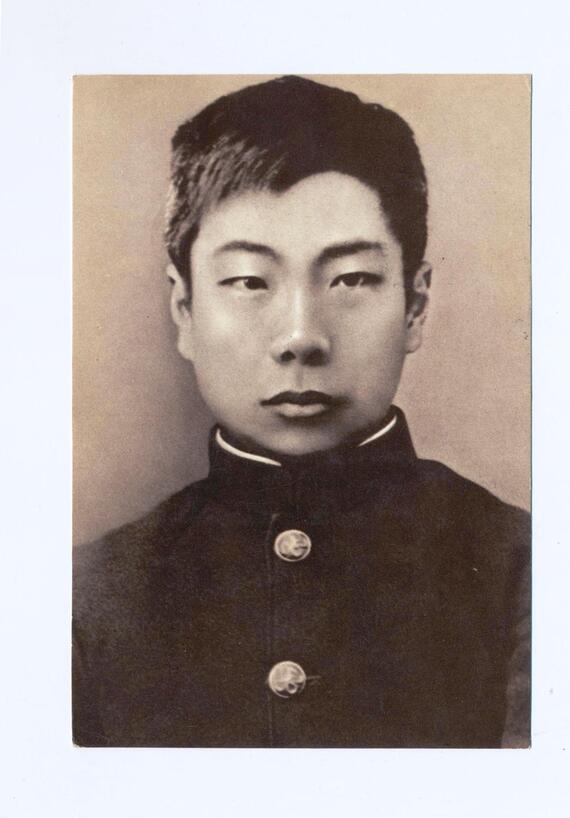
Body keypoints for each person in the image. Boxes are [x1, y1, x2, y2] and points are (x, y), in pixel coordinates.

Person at [73, 75, 530, 748]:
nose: (300, 336)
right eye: (249, 281)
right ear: (185, 309)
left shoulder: (526, 572)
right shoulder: (87, 599)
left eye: (350, 279)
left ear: (414, 306)